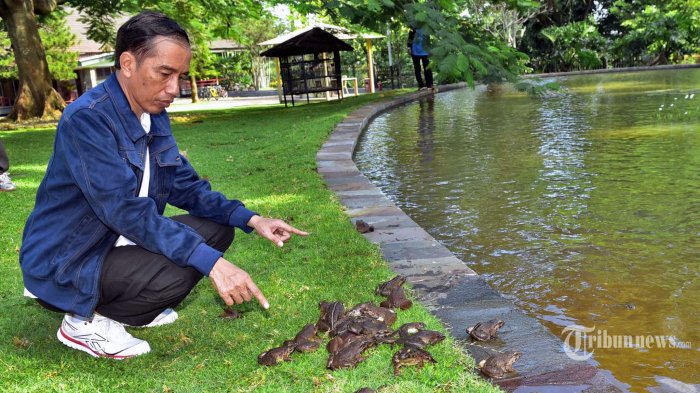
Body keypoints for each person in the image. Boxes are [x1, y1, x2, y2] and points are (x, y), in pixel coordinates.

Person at [19, 11, 307, 359]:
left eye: (180, 76)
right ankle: (81, 324)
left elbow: (183, 184)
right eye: (164, 74)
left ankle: (123, 311)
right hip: (67, 259)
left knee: (218, 229)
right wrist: (214, 265)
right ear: (128, 63)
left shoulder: (152, 113)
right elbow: (122, 209)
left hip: (112, 240)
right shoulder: (88, 118)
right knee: (194, 261)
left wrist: (252, 218)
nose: (174, 89)